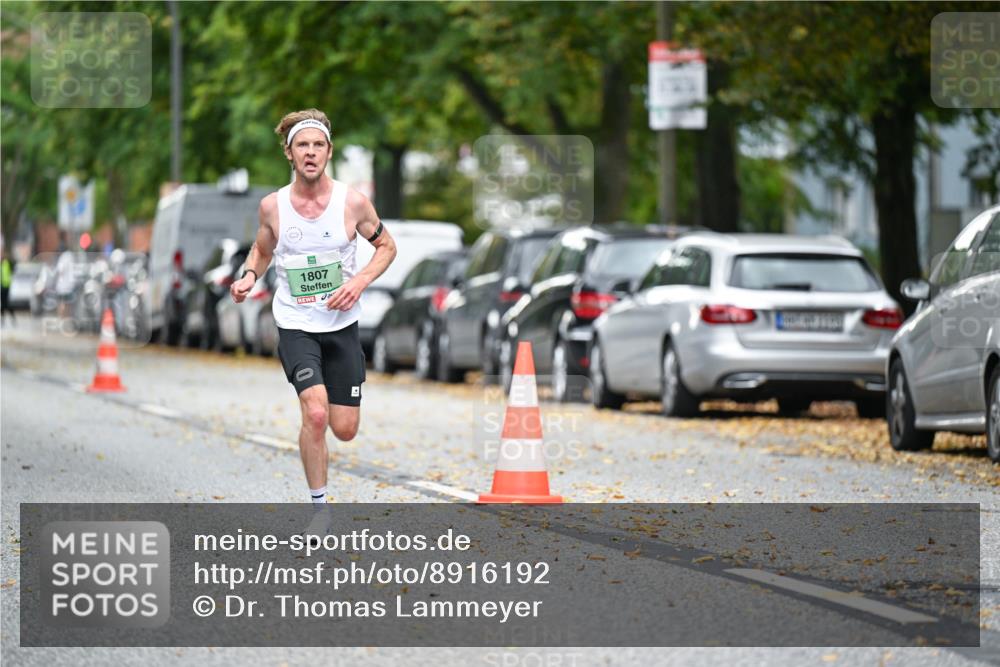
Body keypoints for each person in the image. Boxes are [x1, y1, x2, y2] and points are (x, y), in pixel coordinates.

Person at [230, 108, 396, 510]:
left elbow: (387, 247)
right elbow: (262, 249)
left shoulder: (353, 203)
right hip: (295, 323)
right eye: (301, 145)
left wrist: (357, 282)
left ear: (328, 151)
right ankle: (319, 510)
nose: (310, 152)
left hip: (342, 326)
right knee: (316, 414)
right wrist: (250, 276)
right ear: (289, 153)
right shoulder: (273, 207)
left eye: (317, 145)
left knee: (344, 428)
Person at [0, 248, 14, 326]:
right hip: (1, 286)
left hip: (6, 286)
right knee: (3, 304)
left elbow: (12, 269)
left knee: (6, 304)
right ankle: (2, 320)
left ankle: (12, 318)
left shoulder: (6, 263)